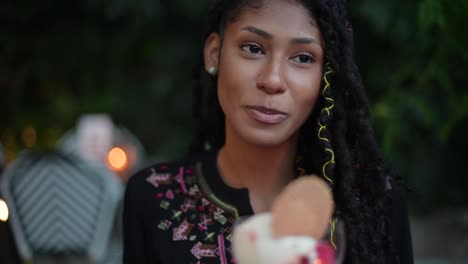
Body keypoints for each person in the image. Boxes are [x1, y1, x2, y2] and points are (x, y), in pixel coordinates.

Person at [122, 0, 414, 263]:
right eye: (253, 48)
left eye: (302, 58)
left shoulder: (375, 203)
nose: (273, 80)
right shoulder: (154, 197)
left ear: (325, 75)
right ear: (214, 54)